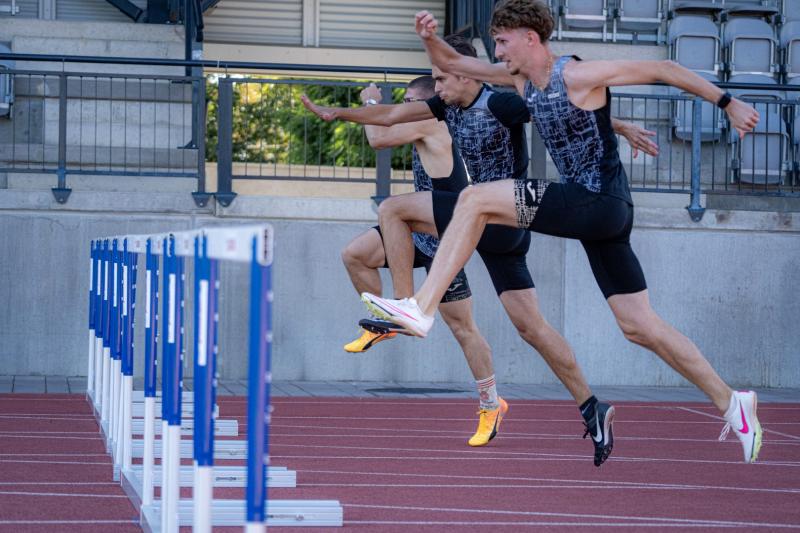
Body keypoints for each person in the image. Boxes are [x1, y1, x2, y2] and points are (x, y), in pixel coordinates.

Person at [360, 0, 763, 464]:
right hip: (598, 218)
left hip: (599, 201)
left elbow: (665, 67)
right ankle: (733, 403)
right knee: (639, 326)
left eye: (504, 41)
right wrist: (428, 35)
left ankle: (420, 308)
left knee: (475, 199)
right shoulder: (517, 80)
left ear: (531, 38)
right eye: (495, 43)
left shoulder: (576, 75)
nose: (498, 51)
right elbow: (454, 64)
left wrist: (729, 103)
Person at [303, 35, 659, 466]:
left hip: (496, 214)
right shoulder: (446, 106)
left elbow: (559, 111)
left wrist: (617, 125)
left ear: (462, 73)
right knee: (533, 328)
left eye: (440, 78)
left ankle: (405, 307)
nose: (436, 88)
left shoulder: (500, 104)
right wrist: (338, 112)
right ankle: (592, 407)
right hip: (498, 228)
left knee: (394, 209)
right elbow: (391, 113)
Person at [340, 75, 507, 447]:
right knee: (356, 255)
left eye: (409, 102)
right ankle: (390, 316)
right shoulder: (425, 122)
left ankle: (491, 404)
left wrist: (370, 103)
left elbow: (379, 137)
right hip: (415, 229)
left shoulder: (432, 120)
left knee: (464, 329)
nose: (401, 109)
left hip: (445, 241)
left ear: (428, 102)